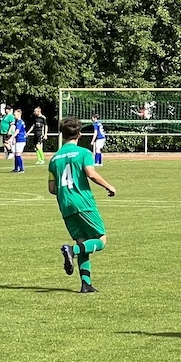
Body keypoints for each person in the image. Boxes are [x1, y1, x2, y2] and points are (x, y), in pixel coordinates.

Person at [48, 118, 117, 293]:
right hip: (83, 203)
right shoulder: (83, 153)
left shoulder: (54, 159)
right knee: (101, 240)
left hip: (65, 206)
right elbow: (91, 174)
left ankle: (86, 284)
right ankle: (72, 250)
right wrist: (109, 186)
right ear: (79, 134)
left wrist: (66, 192)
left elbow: (51, 189)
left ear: (62, 134)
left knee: (83, 242)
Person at [10, 108, 28, 173]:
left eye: (15, 114)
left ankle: (21, 169)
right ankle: (16, 169)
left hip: (21, 139)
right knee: (16, 154)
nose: (14, 116)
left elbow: (17, 131)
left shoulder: (20, 122)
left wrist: (11, 138)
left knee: (18, 154)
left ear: (19, 114)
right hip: (18, 139)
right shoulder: (17, 122)